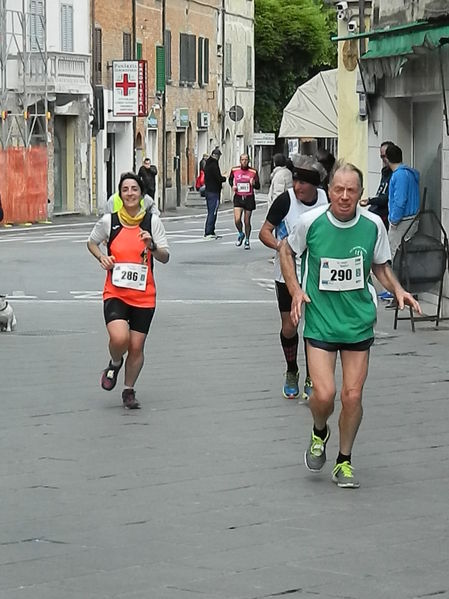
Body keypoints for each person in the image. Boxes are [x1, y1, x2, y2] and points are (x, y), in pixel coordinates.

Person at [279, 161, 421, 488]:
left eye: (351, 190)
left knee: (353, 397)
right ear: (328, 191)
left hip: (357, 321)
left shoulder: (373, 225)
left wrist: (397, 289)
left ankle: (344, 460)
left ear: (360, 193)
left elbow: (380, 265)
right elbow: (286, 251)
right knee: (324, 396)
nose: (344, 196)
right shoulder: (309, 222)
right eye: (338, 190)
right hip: (321, 321)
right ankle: (319, 430)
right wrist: (296, 291)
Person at [87, 172, 169, 409]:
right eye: (125, 189)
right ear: (119, 195)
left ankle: (128, 390)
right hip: (116, 292)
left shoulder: (152, 223)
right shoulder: (108, 222)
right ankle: (114, 362)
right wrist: (102, 258)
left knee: (136, 346)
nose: (130, 193)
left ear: (141, 194)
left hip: (144, 296)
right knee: (120, 338)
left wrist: (151, 246)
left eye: (134, 189)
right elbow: (91, 242)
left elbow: (165, 257)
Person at [259, 154, 328, 401]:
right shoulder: (285, 201)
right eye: (295, 181)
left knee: (315, 328)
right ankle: (292, 369)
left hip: (319, 275)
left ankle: (312, 374)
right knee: (290, 327)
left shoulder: (326, 199)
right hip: (287, 275)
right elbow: (264, 231)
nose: (297, 187)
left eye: (303, 183)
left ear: (315, 185)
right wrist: (282, 247)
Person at [359, 141, 394, 231]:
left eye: (385, 156)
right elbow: (381, 193)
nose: (383, 159)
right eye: (381, 157)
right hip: (377, 211)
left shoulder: (396, 174)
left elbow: (386, 198)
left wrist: (370, 201)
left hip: (386, 215)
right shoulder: (385, 172)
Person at [229, 154, 260, 249]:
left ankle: (247, 239)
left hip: (249, 198)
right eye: (242, 160)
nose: (244, 161)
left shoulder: (253, 171)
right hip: (238, 197)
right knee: (237, 219)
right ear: (240, 160)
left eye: (246, 160)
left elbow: (258, 186)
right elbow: (230, 179)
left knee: (247, 221)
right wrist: (233, 186)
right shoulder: (234, 170)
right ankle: (240, 233)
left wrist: (254, 184)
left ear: (249, 161)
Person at [204, 147, 226, 239]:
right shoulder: (214, 165)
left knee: (211, 211)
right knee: (213, 212)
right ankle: (209, 232)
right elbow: (218, 178)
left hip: (208, 190)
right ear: (216, 156)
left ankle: (210, 231)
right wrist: (224, 178)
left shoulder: (207, 164)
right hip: (214, 191)